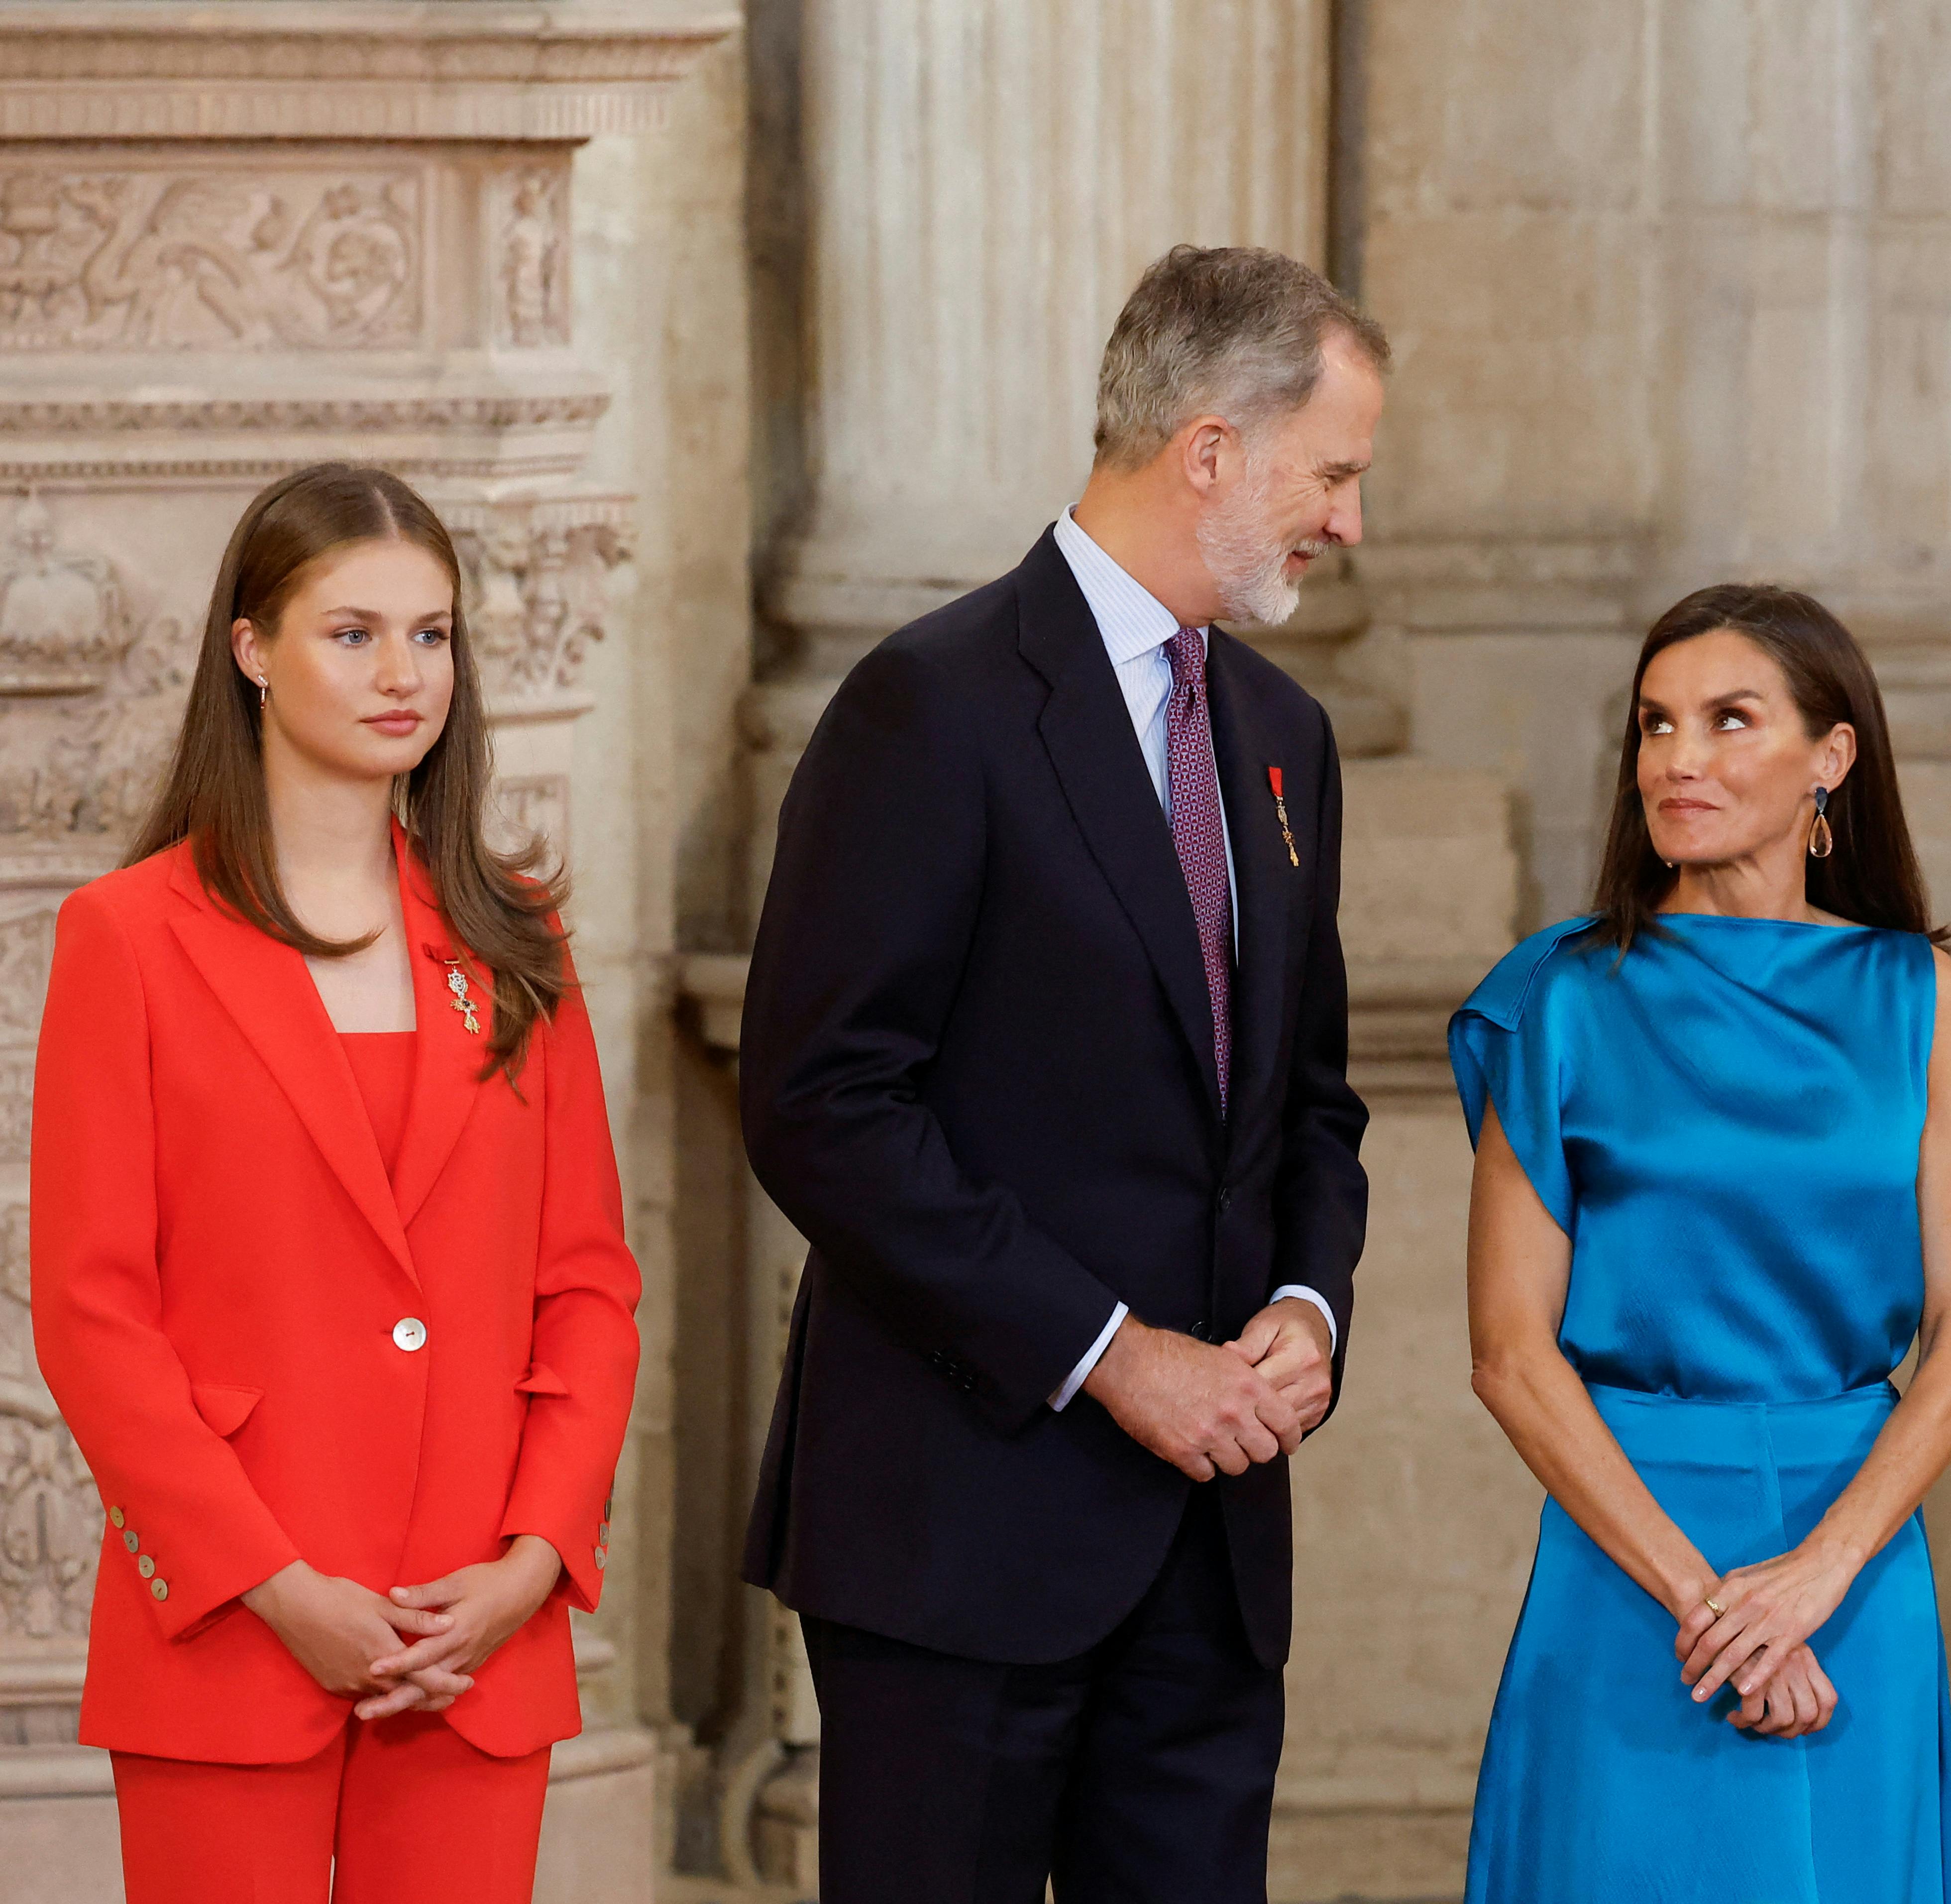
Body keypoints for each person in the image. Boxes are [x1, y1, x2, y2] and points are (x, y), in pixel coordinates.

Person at [737, 245, 1381, 1903]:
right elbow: (821, 1101)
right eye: (1335, 473)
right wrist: (1109, 1355)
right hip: (964, 1533)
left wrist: (1307, 1312)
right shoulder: (927, 707)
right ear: (1213, 449)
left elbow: (1308, 1100)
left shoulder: (1285, 736)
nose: (1349, 521)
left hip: (1214, 1551)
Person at [31, 462, 641, 1903]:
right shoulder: (127, 938)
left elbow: (590, 1284)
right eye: (352, 632)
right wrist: (274, 1584)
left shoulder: (514, 933)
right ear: (251, 647)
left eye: (430, 635)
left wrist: (534, 1559)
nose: (403, 674)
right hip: (236, 1635)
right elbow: (91, 1310)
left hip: (470, 1641)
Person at [1451, 585, 1951, 1901]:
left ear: (1830, 756)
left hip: (1852, 1563)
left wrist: (1813, 1575)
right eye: (1654, 725)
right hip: (1629, 1553)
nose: (1676, 760)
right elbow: (1511, 1357)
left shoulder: (1916, 995)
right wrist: (1714, 1606)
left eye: (1726, 720)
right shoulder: (1561, 997)